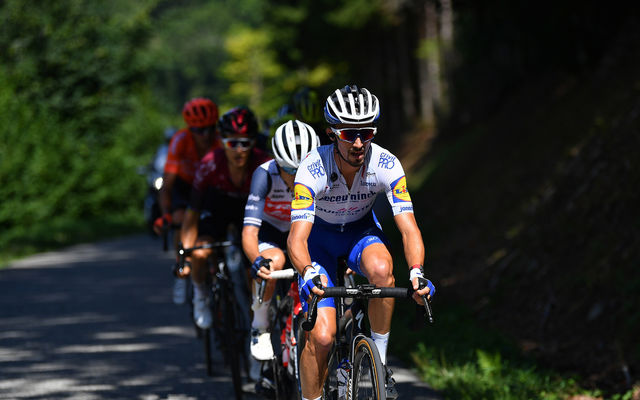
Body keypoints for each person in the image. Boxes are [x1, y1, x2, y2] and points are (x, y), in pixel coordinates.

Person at [287, 85, 436, 400]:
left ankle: (379, 363)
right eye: (348, 134)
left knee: (383, 270)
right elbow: (297, 238)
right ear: (331, 133)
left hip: (360, 232)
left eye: (366, 133)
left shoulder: (387, 164)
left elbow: (409, 228)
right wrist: (308, 270)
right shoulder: (312, 168)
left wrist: (417, 271)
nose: (358, 143)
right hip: (319, 244)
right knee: (323, 338)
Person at [180, 106, 271, 331]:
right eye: (232, 143)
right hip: (217, 207)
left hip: (250, 210)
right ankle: (201, 295)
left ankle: (257, 325)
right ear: (222, 142)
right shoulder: (210, 163)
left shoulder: (264, 163)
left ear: (254, 143)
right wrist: (185, 254)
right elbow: (192, 213)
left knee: (255, 268)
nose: (239, 150)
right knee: (201, 252)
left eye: (245, 143)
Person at [241, 120, 320, 361]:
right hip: (271, 230)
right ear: (276, 161)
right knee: (273, 261)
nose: (296, 176)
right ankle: (260, 325)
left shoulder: (323, 171)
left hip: (305, 229)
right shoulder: (264, 174)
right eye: (289, 169)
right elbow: (249, 232)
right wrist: (256, 260)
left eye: (302, 169)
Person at [153, 98, 221, 305]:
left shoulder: (219, 141)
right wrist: (165, 214)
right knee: (180, 218)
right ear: (190, 129)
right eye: (199, 130)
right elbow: (167, 184)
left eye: (210, 129)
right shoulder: (180, 140)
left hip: (210, 186)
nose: (205, 135)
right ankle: (182, 268)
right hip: (185, 185)